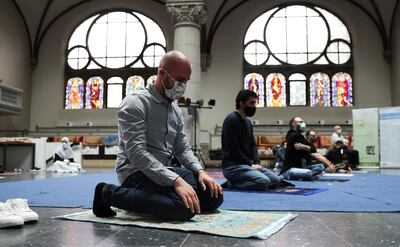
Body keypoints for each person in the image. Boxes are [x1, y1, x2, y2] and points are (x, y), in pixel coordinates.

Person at [92, 51, 223, 221]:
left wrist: (200, 172)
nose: (183, 86)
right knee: (183, 208)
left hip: (165, 170)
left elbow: (182, 148)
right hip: (136, 173)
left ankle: (160, 197)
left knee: (214, 196)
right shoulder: (135, 103)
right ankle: (106, 193)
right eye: (180, 80)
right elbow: (137, 154)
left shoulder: (175, 109)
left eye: (186, 81)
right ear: (162, 74)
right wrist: (176, 181)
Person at [221, 90, 286, 191]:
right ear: (241, 103)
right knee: (264, 182)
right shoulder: (231, 119)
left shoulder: (248, 122)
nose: (254, 106)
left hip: (248, 165)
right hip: (233, 166)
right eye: (251, 103)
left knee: (276, 181)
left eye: (255, 103)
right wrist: (250, 164)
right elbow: (233, 148)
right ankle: (232, 184)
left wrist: (257, 162)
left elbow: (253, 145)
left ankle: (239, 181)